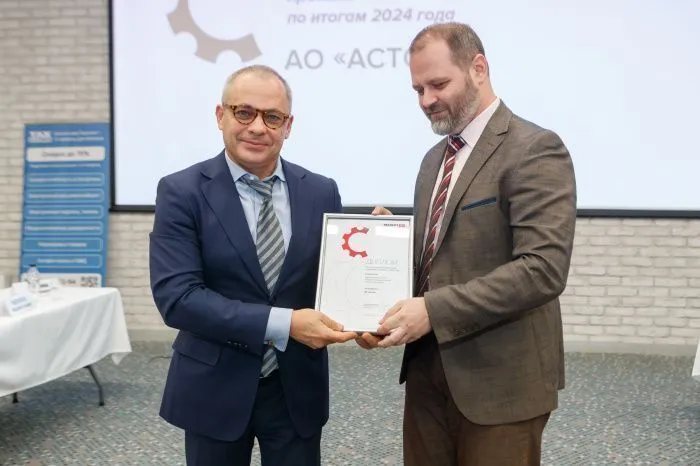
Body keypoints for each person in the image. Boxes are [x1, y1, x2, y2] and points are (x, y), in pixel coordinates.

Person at [357, 22, 577, 465]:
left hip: (501, 382)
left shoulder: (534, 149)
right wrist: (392, 246)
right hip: (426, 374)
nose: (426, 100)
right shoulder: (433, 160)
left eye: (438, 84)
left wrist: (432, 310)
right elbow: (444, 255)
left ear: (478, 68)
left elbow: (542, 270)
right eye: (418, 89)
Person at [149, 65, 356, 466]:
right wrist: (285, 323)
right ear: (220, 115)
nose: (258, 127)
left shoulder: (321, 191)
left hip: (295, 387)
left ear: (288, 126)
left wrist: (375, 244)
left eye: (272, 117)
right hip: (214, 385)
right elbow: (178, 299)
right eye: (244, 112)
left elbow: (335, 278)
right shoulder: (181, 191)